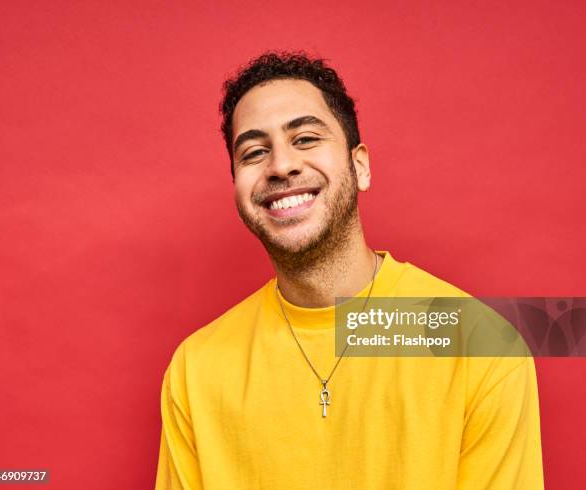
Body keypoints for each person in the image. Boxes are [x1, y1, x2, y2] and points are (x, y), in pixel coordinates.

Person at [154, 52, 544, 489]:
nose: (281, 165)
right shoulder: (197, 369)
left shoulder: (479, 345)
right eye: (255, 151)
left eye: (304, 138)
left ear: (360, 166)